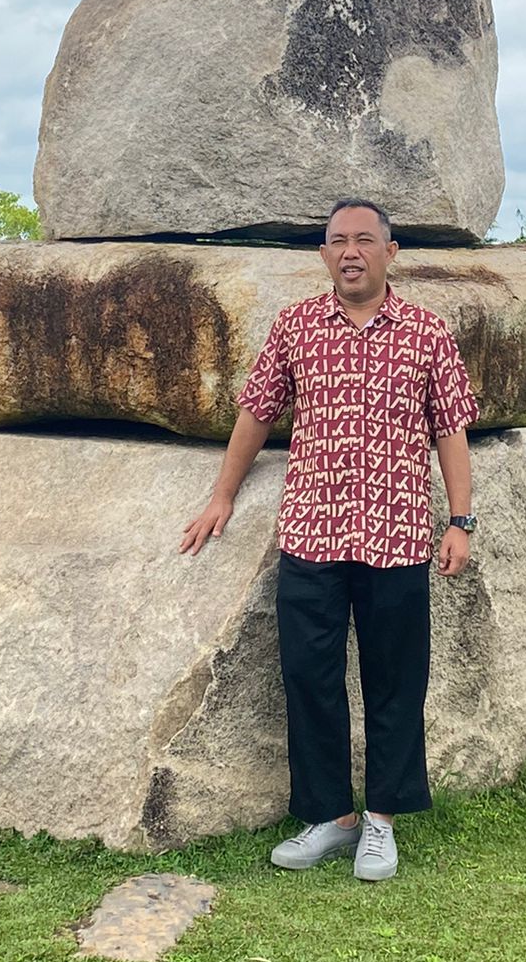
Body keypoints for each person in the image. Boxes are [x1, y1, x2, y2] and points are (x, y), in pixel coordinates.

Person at [178, 197, 478, 882]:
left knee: (395, 682)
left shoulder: (427, 333)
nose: (350, 251)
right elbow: (257, 411)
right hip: (312, 532)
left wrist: (459, 520)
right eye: (337, 241)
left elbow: (449, 428)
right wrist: (222, 495)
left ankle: (381, 823)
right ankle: (331, 817)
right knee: (309, 676)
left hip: (398, 537)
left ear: (390, 252)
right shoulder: (296, 327)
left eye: (364, 240)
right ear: (322, 254)